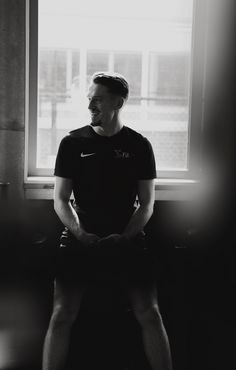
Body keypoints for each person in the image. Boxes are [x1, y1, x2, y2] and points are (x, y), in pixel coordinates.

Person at [42, 72, 172, 370]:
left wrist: (125, 237)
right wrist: (81, 234)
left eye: (97, 100)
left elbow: (147, 205)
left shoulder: (139, 145)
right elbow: (61, 201)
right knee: (62, 314)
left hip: (126, 239)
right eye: (89, 99)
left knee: (150, 313)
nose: (91, 105)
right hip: (79, 238)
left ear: (118, 102)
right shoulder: (72, 143)